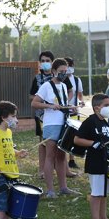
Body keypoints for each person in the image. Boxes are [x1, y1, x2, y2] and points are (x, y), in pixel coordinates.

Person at [32, 58, 79, 198]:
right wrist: (50, 106)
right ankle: (50, 190)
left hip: (64, 123)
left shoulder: (64, 87)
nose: (64, 74)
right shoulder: (46, 86)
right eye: (61, 71)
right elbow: (35, 103)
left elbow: (62, 104)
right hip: (51, 124)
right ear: (53, 71)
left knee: (61, 156)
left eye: (65, 71)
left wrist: (71, 108)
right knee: (50, 156)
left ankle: (63, 187)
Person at [74, 94, 109, 219]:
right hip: (95, 162)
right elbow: (77, 139)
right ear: (96, 108)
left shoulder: (104, 121)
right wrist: (93, 143)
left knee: (104, 193)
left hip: (106, 161)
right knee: (97, 193)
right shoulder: (90, 122)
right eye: (106, 105)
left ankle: (103, 218)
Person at [29, 51, 55, 176]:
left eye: (48, 60)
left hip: (57, 114)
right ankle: (42, 169)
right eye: (43, 61)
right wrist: (41, 99)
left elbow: (69, 91)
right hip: (41, 115)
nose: (45, 63)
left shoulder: (57, 77)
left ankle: (60, 168)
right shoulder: (37, 78)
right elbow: (31, 95)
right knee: (43, 142)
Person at [64, 57, 84, 172]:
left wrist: (81, 102)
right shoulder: (60, 79)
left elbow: (79, 94)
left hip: (74, 111)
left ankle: (71, 159)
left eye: (71, 64)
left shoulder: (77, 80)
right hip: (63, 110)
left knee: (73, 135)